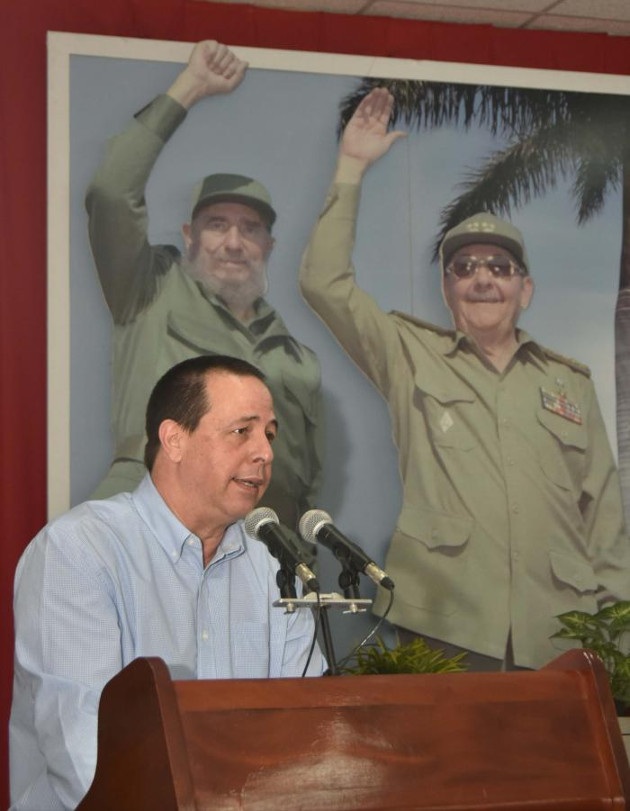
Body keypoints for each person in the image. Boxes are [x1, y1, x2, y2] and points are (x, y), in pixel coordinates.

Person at [299, 87, 630, 671]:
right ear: (447, 288)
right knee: (444, 766)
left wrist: (615, 644)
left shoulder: (570, 383)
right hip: (443, 626)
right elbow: (325, 283)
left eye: (500, 268)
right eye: (465, 267)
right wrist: (351, 166)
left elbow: (603, 518)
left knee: (551, 767)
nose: (483, 279)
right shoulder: (408, 354)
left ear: (524, 289)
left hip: (559, 636)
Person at [9, 355, 326, 811]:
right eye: (243, 431)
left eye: (269, 435)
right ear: (174, 439)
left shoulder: (276, 569)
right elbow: (84, 754)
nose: (265, 453)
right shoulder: (79, 550)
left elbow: (300, 733)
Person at [86, 39, 322, 531]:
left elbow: (303, 479)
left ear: (268, 246)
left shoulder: (296, 357)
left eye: (250, 228)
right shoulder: (149, 290)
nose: (233, 242)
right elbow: (111, 192)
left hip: (260, 552)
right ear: (190, 236)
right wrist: (188, 89)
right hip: (153, 534)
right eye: (217, 224)